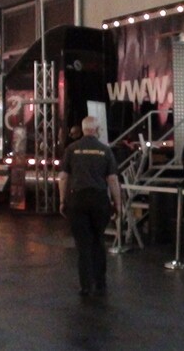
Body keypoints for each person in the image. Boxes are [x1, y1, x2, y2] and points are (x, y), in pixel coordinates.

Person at [58, 116, 123, 297]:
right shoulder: (105, 150)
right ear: (96, 129)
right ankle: (100, 282)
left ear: (83, 129)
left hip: (78, 200)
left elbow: (63, 177)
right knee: (98, 240)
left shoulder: (71, 149)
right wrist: (118, 203)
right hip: (99, 200)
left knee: (83, 245)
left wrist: (62, 200)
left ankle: (86, 285)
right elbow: (112, 179)